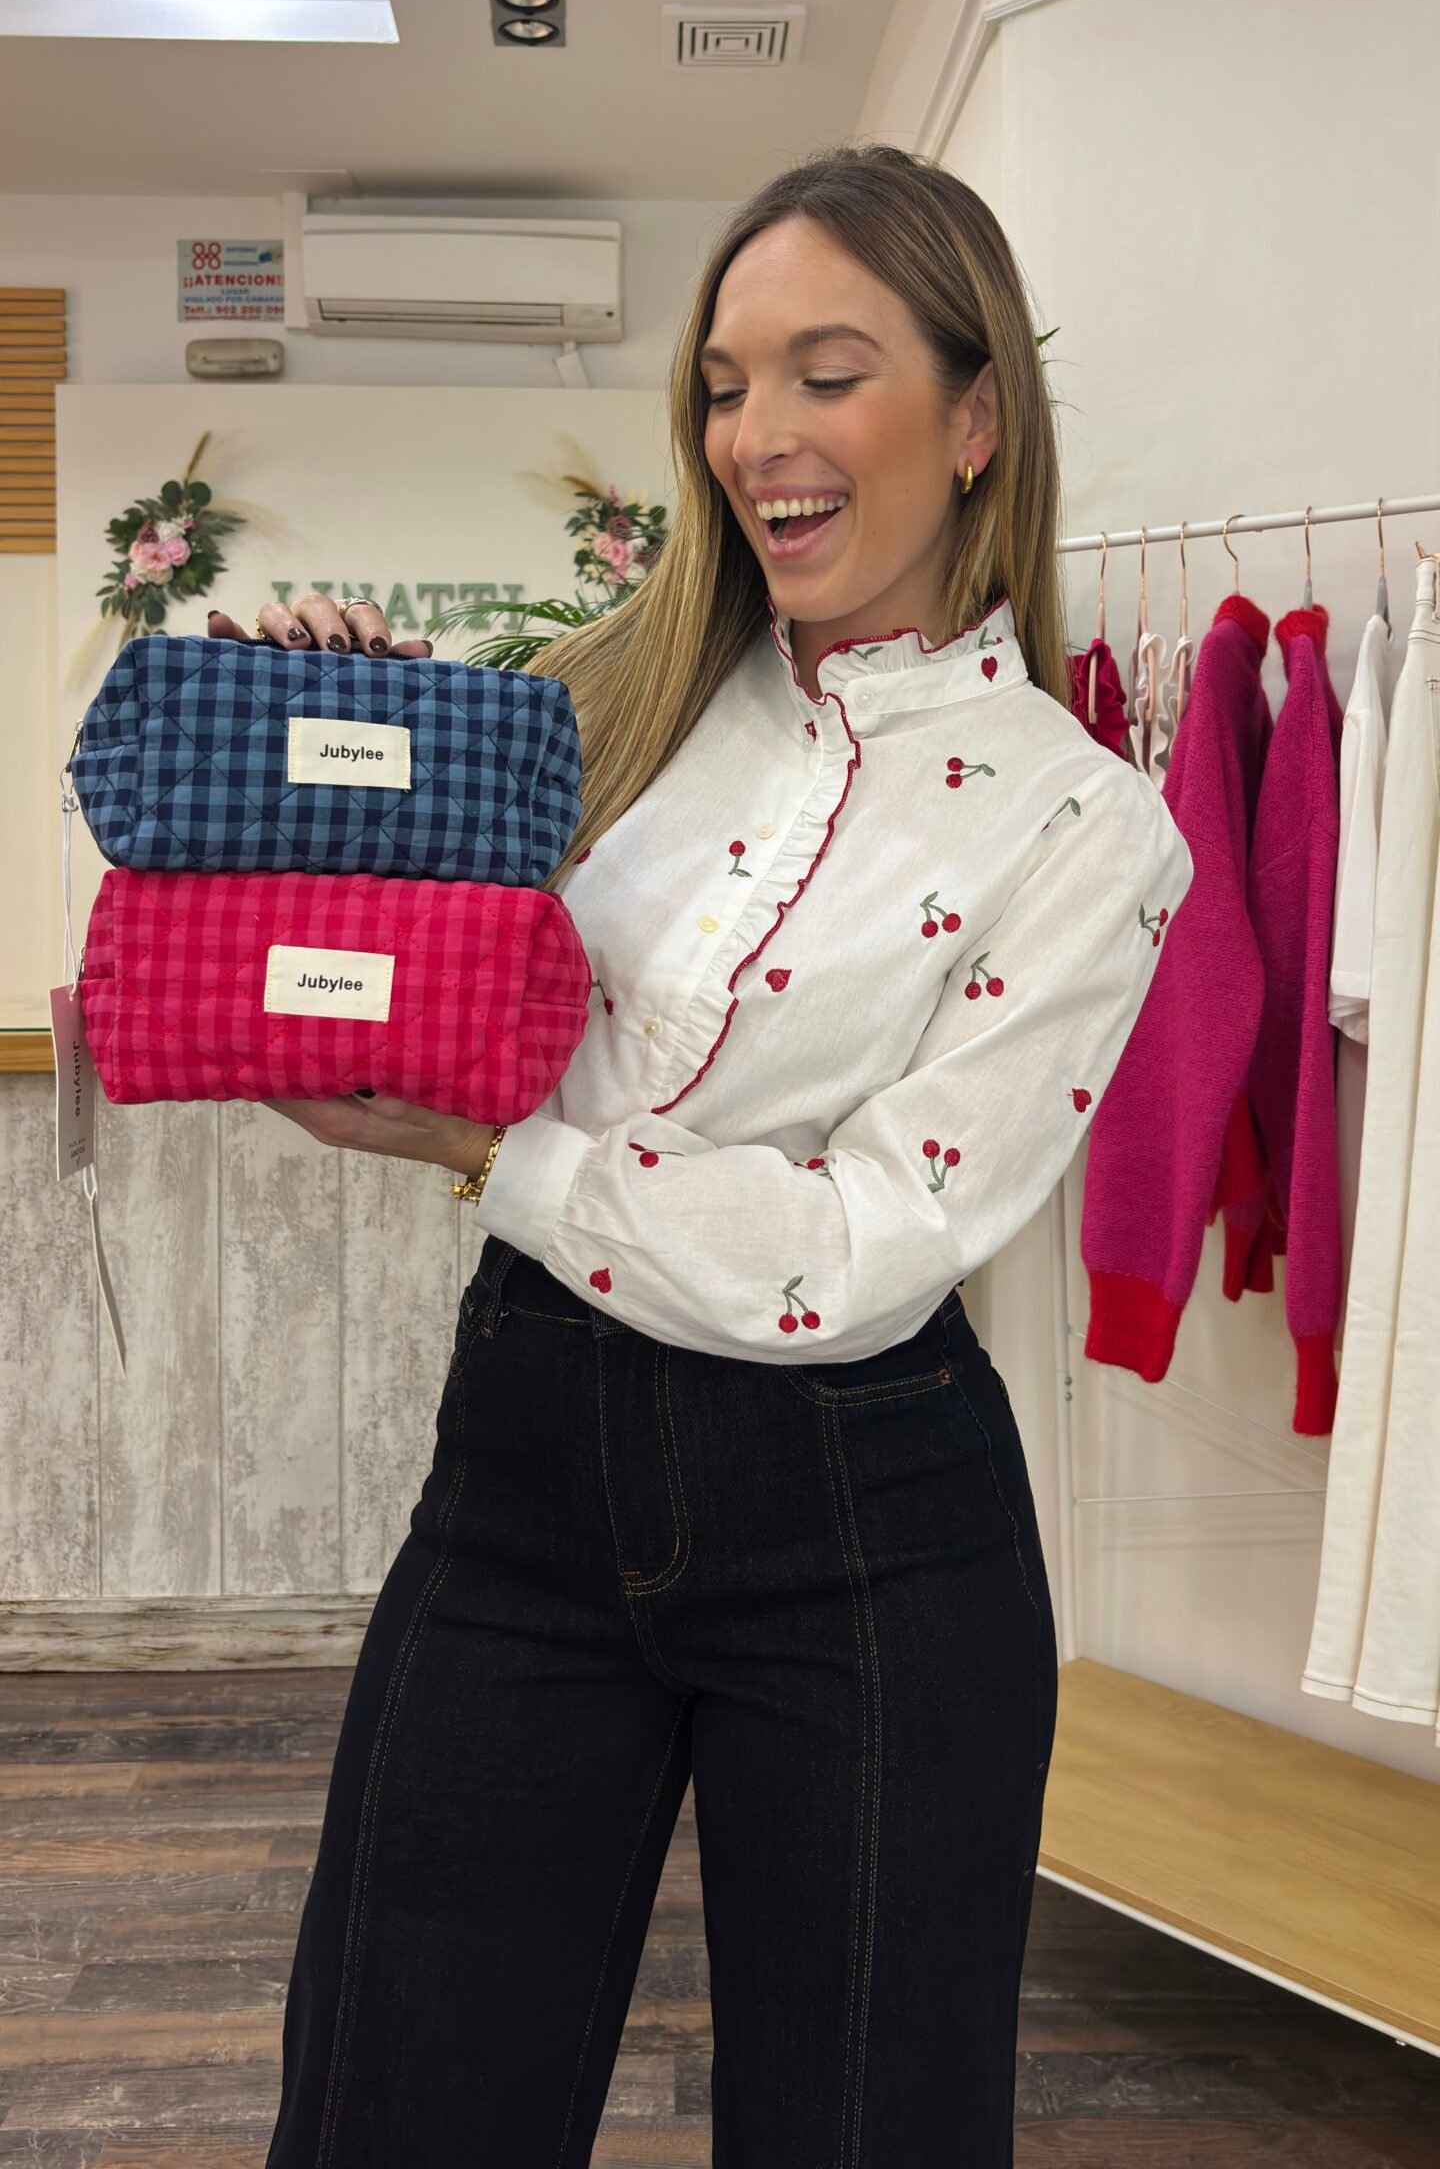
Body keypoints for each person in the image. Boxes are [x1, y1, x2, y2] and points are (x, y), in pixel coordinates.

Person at [223, 143, 1193, 2167]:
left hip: (869, 1520)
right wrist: (328, 734)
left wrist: (498, 1151)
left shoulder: (1086, 827)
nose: (759, 434)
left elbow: (860, 1245)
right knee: (394, 2106)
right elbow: (405, 962)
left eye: (828, 373)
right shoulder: (609, 699)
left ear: (977, 416)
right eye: (728, 385)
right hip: (525, 1470)